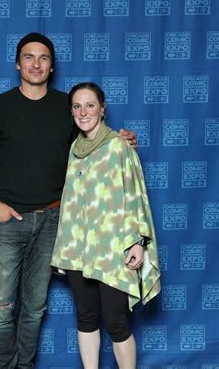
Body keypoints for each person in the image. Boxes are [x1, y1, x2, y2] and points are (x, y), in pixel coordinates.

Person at [0, 32, 137, 369]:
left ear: (51, 66)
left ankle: (26, 366)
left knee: (34, 307)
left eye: (43, 58)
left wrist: (119, 139)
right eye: (29, 57)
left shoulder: (67, 107)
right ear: (18, 63)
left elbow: (91, 142)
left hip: (53, 221)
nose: (36, 63)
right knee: (2, 305)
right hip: (8, 221)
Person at [50, 82, 161, 369]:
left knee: (115, 320)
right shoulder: (75, 148)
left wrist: (138, 241)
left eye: (90, 105)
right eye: (77, 106)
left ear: (102, 108)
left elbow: (136, 195)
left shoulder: (118, 146)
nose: (83, 111)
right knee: (86, 316)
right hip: (78, 248)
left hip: (113, 248)